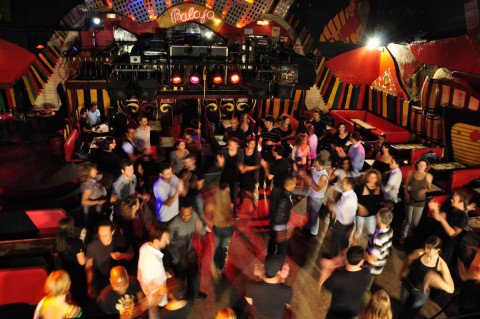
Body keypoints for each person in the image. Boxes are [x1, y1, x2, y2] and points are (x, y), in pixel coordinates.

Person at [398, 236, 455, 319]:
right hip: (407, 285)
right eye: (426, 246)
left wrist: (436, 279)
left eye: (429, 248)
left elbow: (451, 288)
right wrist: (401, 272)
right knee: (402, 309)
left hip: (420, 295)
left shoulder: (441, 264)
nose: (426, 250)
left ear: (437, 250)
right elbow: (408, 259)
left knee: (410, 315)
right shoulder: (420, 253)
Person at [167, 200, 207, 299]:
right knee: (180, 280)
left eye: (189, 214)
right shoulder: (173, 224)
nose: (186, 217)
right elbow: (167, 244)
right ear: (179, 211)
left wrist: (202, 229)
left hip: (190, 252)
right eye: (184, 214)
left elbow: (201, 230)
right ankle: (181, 298)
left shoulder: (194, 215)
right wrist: (175, 259)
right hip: (178, 257)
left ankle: (194, 293)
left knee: (194, 275)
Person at [86, 220, 134, 297]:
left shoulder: (120, 240)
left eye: (105, 235)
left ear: (112, 232)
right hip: (102, 284)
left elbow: (131, 255)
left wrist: (122, 255)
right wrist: (89, 284)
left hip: (120, 282)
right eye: (100, 235)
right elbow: (88, 266)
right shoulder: (92, 246)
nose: (102, 238)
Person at [322, 246, 371, 319]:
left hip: (336, 315)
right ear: (361, 261)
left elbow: (325, 284)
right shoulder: (367, 274)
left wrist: (327, 268)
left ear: (347, 258)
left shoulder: (338, 277)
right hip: (354, 314)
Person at [429, 191, 477, 263]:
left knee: (436, 263)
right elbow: (439, 216)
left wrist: (442, 220)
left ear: (461, 203)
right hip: (438, 237)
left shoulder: (463, 217)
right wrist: (435, 208)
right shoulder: (452, 208)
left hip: (446, 245)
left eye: (454, 200)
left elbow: (453, 234)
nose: (451, 200)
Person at [138, 223, 171, 318]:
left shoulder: (145, 246)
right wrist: (162, 290)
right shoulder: (154, 262)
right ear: (156, 241)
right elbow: (148, 281)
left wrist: (163, 274)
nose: (168, 241)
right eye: (165, 239)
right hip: (155, 297)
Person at [245, 254, 292, 319]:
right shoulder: (287, 290)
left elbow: (250, 302)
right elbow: (287, 305)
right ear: (279, 272)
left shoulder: (251, 286)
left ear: (264, 268)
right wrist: (282, 280)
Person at [56, 217, 86, 307]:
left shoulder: (59, 242)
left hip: (66, 271)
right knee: (79, 297)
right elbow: (82, 262)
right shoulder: (77, 242)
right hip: (77, 273)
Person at [401, 159, 433, 243]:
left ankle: (410, 233)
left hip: (420, 201)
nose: (421, 166)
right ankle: (404, 235)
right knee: (408, 219)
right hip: (410, 199)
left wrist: (425, 189)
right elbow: (405, 185)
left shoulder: (428, 176)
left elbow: (429, 189)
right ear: (417, 165)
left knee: (415, 222)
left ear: (426, 167)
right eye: (420, 164)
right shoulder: (411, 173)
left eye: (423, 165)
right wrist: (406, 195)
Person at [364, 208, 394, 300]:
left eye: (377, 215)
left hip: (371, 269)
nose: (376, 216)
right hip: (379, 266)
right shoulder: (389, 229)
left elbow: (372, 259)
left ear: (379, 219)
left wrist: (362, 252)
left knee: (364, 289)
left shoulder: (379, 239)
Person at [267, 175, 297, 258]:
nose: (295, 186)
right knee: (282, 248)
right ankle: (278, 263)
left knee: (272, 243)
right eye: (294, 184)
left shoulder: (277, 190)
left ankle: (269, 258)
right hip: (279, 226)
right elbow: (279, 217)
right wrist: (286, 227)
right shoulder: (285, 199)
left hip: (273, 223)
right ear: (290, 185)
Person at [328, 177, 358, 257]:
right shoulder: (347, 194)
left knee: (340, 243)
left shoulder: (349, 198)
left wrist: (330, 205)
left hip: (344, 225)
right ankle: (332, 256)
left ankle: (337, 261)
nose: (341, 183)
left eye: (343, 183)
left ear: (349, 185)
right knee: (335, 240)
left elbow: (337, 208)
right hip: (342, 222)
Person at [300, 155, 329, 236]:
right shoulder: (315, 169)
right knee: (309, 212)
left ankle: (314, 231)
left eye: (314, 160)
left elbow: (317, 188)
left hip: (317, 198)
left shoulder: (324, 176)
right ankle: (309, 227)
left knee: (314, 214)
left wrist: (307, 179)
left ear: (317, 162)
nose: (313, 161)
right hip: (310, 194)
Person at [211, 185, 235, 275]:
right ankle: (221, 267)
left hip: (217, 227)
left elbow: (209, 217)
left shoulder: (212, 205)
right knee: (224, 247)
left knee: (218, 246)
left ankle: (215, 263)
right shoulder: (230, 204)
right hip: (228, 229)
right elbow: (232, 218)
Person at [180, 153, 207, 228]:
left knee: (200, 212)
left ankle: (204, 226)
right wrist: (184, 179)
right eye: (185, 162)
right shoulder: (184, 170)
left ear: (193, 161)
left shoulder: (199, 170)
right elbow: (180, 181)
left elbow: (199, 186)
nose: (186, 164)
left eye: (188, 162)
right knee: (186, 212)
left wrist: (195, 183)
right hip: (186, 196)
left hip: (196, 195)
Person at [354, 169, 383, 239]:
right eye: (370, 177)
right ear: (367, 177)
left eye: (374, 177)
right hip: (359, 215)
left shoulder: (379, 189)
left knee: (371, 234)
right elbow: (353, 199)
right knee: (358, 233)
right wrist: (359, 206)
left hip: (371, 215)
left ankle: (367, 248)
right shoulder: (360, 188)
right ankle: (353, 248)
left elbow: (378, 203)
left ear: (377, 179)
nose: (372, 179)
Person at [217, 137, 244, 209]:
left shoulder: (240, 152)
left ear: (237, 145)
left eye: (232, 144)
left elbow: (241, 164)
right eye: (229, 144)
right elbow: (219, 164)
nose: (230, 146)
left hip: (234, 175)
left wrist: (242, 168)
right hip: (224, 174)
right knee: (222, 192)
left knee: (234, 196)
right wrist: (220, 164)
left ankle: (234, 211)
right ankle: (222, 208)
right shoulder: (223, 151)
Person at [79, 163, 106, 230]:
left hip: (95, 209)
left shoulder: (91, 180)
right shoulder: (89, 186)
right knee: (93, 226)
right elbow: (84, 201)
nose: (96, 171)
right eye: (94, 170)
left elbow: (99, 177)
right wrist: (99, 202)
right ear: (88, 172)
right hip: (92, 211)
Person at [238, 136, 261, 211]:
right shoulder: (242, 151)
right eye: (251, 144)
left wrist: (247, 168)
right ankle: (241, 203)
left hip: (251, 175)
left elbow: (258, 166)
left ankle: (254, 206)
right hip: (243, 174)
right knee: (242, 190)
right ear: (247, 144)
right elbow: (239, 162)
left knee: (248, 192)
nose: (253, 145)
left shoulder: (257, 153)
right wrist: (242, 167)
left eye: (254, 144)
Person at [259, 116, 281, 189]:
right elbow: (260, 139)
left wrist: (272, 143)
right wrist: (260, 140)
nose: (265, 123)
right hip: (263, 152)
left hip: (271, 153)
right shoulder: (264, 130)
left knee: (269, 168)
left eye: (266, 122)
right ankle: (261, 184)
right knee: (262, 168)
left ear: (271, 123)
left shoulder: (276, 132)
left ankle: (268, 185)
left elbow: (279, 143)